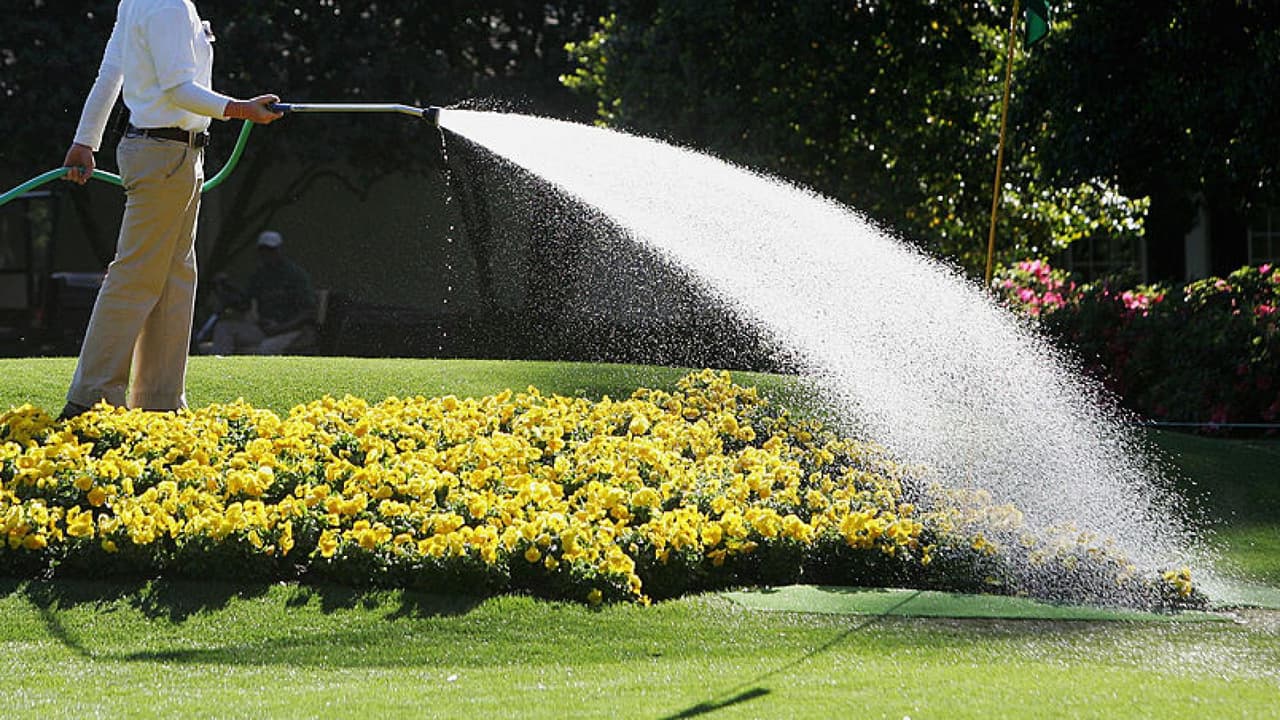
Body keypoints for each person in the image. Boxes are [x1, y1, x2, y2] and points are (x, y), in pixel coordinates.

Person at [59, 0, 283, 420]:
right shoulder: (167, 5)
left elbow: (111, 73)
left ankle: (159, 403)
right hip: (163, 155)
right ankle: (89, 400)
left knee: (174, 280)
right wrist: (241, 109)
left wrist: (86, 140)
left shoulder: (142, 2)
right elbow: (177, 90)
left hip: (175, 155)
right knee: (136, 275)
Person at [209, 231, 319, 355]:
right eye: (263, 250)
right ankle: (221, 369)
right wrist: (223, 288)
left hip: (291, 331)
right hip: (264, 329)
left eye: (271, 250)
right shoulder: (259, 276)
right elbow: (244, 304)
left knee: (266, 348)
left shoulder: (296, 276)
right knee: (223, 328)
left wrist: (281, 328)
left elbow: (308, 312)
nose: (267, 254)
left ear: (279, 250)